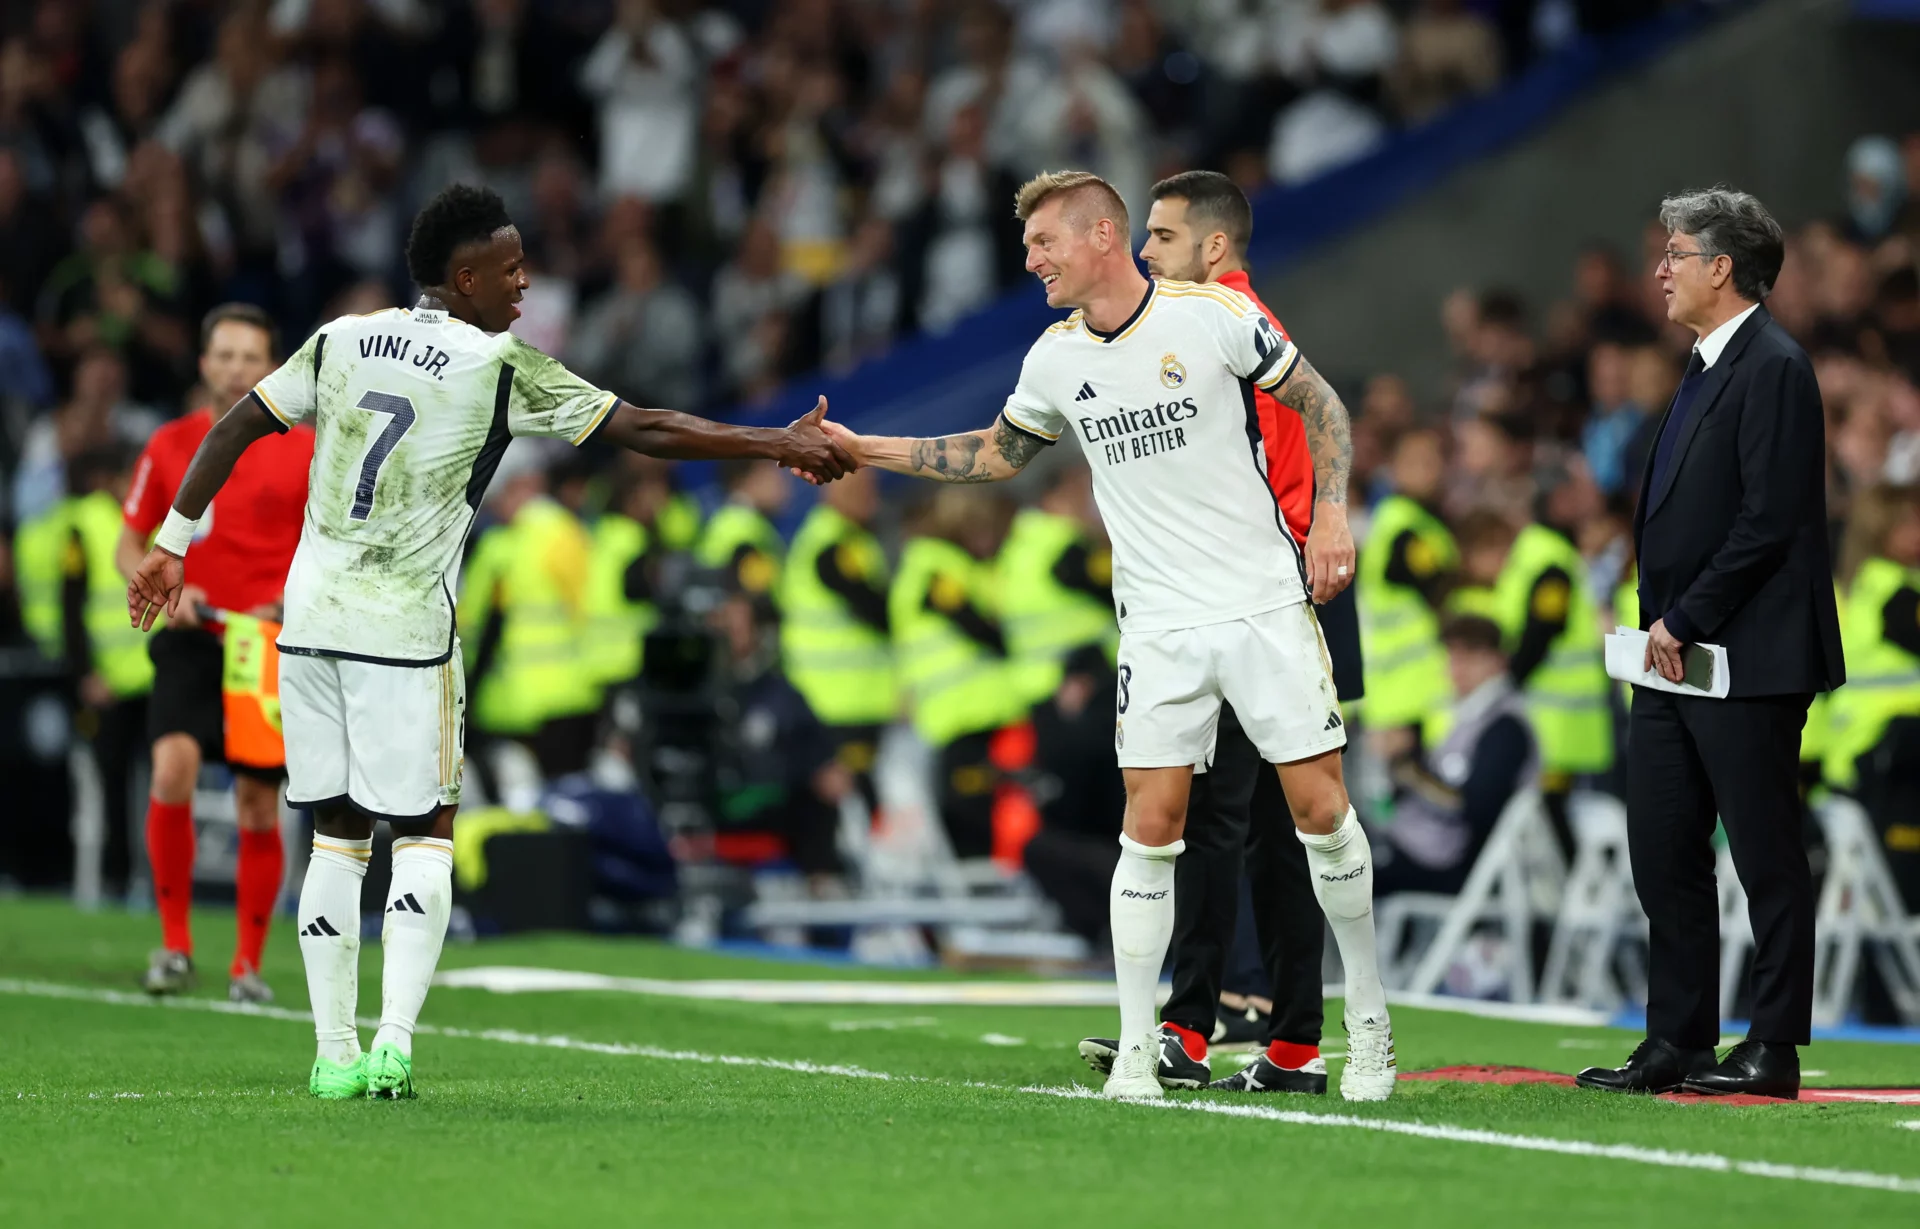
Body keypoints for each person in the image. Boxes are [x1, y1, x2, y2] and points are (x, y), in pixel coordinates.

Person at [125, 184, 852, 1102]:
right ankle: (392, 1044)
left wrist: (169, 545)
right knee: (426, 831)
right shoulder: (501, 365)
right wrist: (773, 440)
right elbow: (644, 427)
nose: (524, 283)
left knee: (335, 834)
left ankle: (332, 1052)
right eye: (510, 268)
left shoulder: (342, 338)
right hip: (404, 627)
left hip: (308, 622)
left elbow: (235, 424)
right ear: (464, 278)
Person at [812, 169, 1394, 1102]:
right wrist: (863, 448)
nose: (1031, 261)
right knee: (1150, 829)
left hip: (1259, 605)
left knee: (1320, 814)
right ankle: (1137, 1050)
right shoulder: (1054, 358)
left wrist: (1331, 515)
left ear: (1099, 235)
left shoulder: (1211, 317)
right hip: (1157, 629)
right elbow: (995, 452)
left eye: (1044, 242)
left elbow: (1322, 404)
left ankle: (1367, 1024)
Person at [1578, 187, 1844, 1102]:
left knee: (1766, 856)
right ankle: (1678, 1038)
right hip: (1674, 658)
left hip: (1747, 655)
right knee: (1663, 848)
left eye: (1675, 253)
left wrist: (1684, 618)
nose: (1659, 270)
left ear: (1721, 267)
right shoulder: (1701, 364)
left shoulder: (1775, 366)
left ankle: (1773, 1045)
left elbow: (1770, 518)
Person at [1112, 168, 1369, 1096]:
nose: (1146, 252)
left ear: (1213, 246)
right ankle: (1275, 1038)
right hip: (1279, 593)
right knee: (1264, 827)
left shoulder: (1228, 331)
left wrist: (1312, 544)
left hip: (1269, 599)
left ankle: (1196, 1027)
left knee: (1227, 821)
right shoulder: (1222, 327)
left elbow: (1286, 466)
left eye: (1162, 236)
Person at [117, 304, 310, 1003]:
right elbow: (128, 543)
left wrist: (289, 601)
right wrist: (168, 591)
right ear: (203, 364)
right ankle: (174, 946)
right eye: (224, 355)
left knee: (259, 803)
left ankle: (246, 966)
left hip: (266, 643)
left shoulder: (306, 448)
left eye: (250, 357)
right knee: (172, 767)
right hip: (192, 637)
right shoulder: (170, 443)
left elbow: (331, 546)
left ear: (273, 366)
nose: (235, 369)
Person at [13, 446, 153, 899]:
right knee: (112, 785)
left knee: (159, 787)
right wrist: (86, 674)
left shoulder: (156, 522)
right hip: (107, 684)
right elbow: (71, 608)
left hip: (153, 678)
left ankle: (155, 882)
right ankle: (116, 880)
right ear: (110, 479)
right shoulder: (84, 526)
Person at [890, 488, 1027, 859]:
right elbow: (978, 625)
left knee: (989, 809)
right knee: (970, 814)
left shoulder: (957, 567)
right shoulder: (935, 567)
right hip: (967, 710)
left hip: (977, 711)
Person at [1370, 615, 1535, 898]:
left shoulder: (1505, 727)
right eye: (1452, 657)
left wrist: (1407, 765)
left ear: (1498, 661)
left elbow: (1473, 807)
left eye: (1470, 658)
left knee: (1344, 878)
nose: (1457, 669)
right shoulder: (1466, 713)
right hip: (1421, 844)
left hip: (1448, 861)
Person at [1492, 457, 1613, 845]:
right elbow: (1541, 631)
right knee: (1551, 813)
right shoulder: (1553, 559)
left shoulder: (1534, 548)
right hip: (1553, 721)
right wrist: (1508, 686)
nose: (1584, 504)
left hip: (1545, 715)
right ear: (1558, 499)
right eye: (1574, 494)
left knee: (1549, 812)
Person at [778, 468, 897, 813]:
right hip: (837, 703)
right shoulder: (830, 544)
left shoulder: (854, 539)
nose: (871, 498)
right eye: (861, 489)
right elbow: (876, 609)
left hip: (861, 700)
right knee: (855, 810)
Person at [1823, 484, 1920, 908]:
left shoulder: (1864, 586)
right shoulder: (1892, 592)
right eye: (1908, 523)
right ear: (1881, 530)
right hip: (1887, 753)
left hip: (1868, 753)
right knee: (1903, 893)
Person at [997, 462, 1115, 711]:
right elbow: (1118, 594)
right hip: (1082, 683)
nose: (1088, 504)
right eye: (1082, 493)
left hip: (1040, 687)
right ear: (1055, 497)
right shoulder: (1066, 547)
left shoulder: (1019, 546)